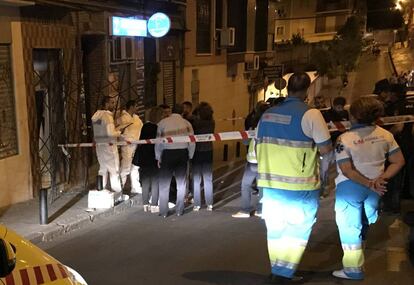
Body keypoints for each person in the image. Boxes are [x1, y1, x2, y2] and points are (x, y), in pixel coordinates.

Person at [256, 72, 333, 283]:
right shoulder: (312, 115)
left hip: (271, 185)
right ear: (307, 90)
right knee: (298, 230)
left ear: (287, 88)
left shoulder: (268, 114)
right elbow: (326, 149)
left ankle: (278, 269)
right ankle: (284, 274)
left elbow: (255, 152)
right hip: (301, 186)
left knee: (276, 229)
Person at [333, 97, 405, 280]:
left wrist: (368, 183)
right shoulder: (385, 135)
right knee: (364, 223)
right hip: (375, 189)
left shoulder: (344, 139)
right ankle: (358, 258)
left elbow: (347, 170)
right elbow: (398, 161)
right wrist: (380, 179)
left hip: (350, 188)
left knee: (350, 227)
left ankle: (353, 270)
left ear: (354, 116)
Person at [155, 105, 195, 217]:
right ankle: (179, 210)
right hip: (182, 153)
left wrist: (158, 156)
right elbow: (192, 141)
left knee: (164, 183)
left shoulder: (162, 123)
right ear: (182, 112)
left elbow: (158, 141)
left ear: (172, 111)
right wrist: (190, 155)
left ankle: (163, 211)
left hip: (167, 153)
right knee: (181, 183)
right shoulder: (187, 124)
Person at [232, 101, 270, 218]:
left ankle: (245, 210)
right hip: (264, 159)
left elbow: (245, 141)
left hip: (252, 160)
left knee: (246, 184)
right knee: (262, 185)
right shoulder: (270, 124)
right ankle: (261, 209)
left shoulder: (253, 124)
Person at [132, 107, 163, 213]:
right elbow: (159, 143)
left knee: (145, 181)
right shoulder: (157, 127)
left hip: (144, 157)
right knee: (155, 181)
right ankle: (154, 204)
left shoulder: (145, 126)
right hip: (154, 156)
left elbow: (141, 141)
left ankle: (145, 204)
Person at [92, 96, 122, 192]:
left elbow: (100, 131)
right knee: (114, 170)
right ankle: (117, 192)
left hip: (100, 147)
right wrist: (118, 132)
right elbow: (110, 134)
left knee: (103, 169)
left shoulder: (96, 115)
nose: (113, 105)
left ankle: (101, 189)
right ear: (106, 104)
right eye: (112, 103)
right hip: (109, 147)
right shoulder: (107, 117)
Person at [192, 102, 215, 211]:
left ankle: (197, 203)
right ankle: (209, 203)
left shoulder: (196, 123)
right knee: (208, 178)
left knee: (197, 178)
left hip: (197, 151)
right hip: (208, 151)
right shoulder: (212, 123)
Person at [117, 100, 143, 193]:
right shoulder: (122, 119)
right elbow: (119, 132)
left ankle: (135, 186)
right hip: (127, 145)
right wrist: (127, 139)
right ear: (131, 107)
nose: (137, 108)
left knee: (135, 166)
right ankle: (121, 186)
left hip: (136, 144)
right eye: (136, 106)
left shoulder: (137, 118)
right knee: (126, 166)